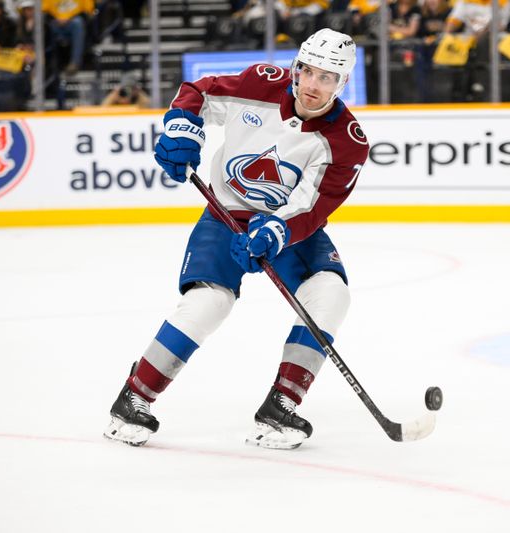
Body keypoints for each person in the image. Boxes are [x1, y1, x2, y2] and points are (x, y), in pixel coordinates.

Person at [103, 28, 369, 450]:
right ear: (296, 68)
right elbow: (199, 91)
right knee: (210, 301)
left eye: (327, 78)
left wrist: (277, 229)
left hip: (288, 227)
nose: (313, 86)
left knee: (331, 294)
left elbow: (314, 205)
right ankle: (134, 397)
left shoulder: (347, 142)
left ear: (343, 84)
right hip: (225, 215)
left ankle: (281, 405)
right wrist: (182, 127)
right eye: (308, 72)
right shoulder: (259, 83)